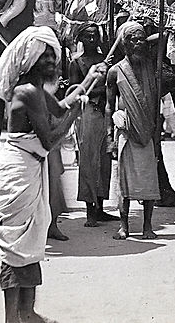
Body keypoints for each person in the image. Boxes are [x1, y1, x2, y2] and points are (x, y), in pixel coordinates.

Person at [0, 21, 101, 323]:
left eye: (53, 55)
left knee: (30, 241)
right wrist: (78, 110)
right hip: (20, 170)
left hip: (29, 168)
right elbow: (51, 137)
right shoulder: (26, 91)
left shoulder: (35, 89)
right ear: (29, 60)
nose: (51, 60)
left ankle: (28, 312)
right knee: (17, 245)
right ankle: (13, 317)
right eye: (44, 56)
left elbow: (60, 106)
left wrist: (87, 82)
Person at [106, 20, 161, 240]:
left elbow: (161, 38)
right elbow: (110, 104)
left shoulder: (151, 67)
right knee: (124, 182)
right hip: (126, 131)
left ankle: (147, 226)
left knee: (149, 179)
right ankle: (124, 226)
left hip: (146, 131)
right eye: (133, 39)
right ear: (125, 44)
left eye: (141, 39)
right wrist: (110, 137)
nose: (139, 43)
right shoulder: (115, 71)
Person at [67, 23, 116, 227]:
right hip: (88, 113)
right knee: (89, 161)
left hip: (106, 113)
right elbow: (74, 92)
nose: (92, 39)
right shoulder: (76, 63)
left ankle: (101, 207)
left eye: (95, 35)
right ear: (80, 39)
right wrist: (97, 82)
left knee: (105, 161)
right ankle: (90, 211)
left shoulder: (106, 60)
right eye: (87, 36)